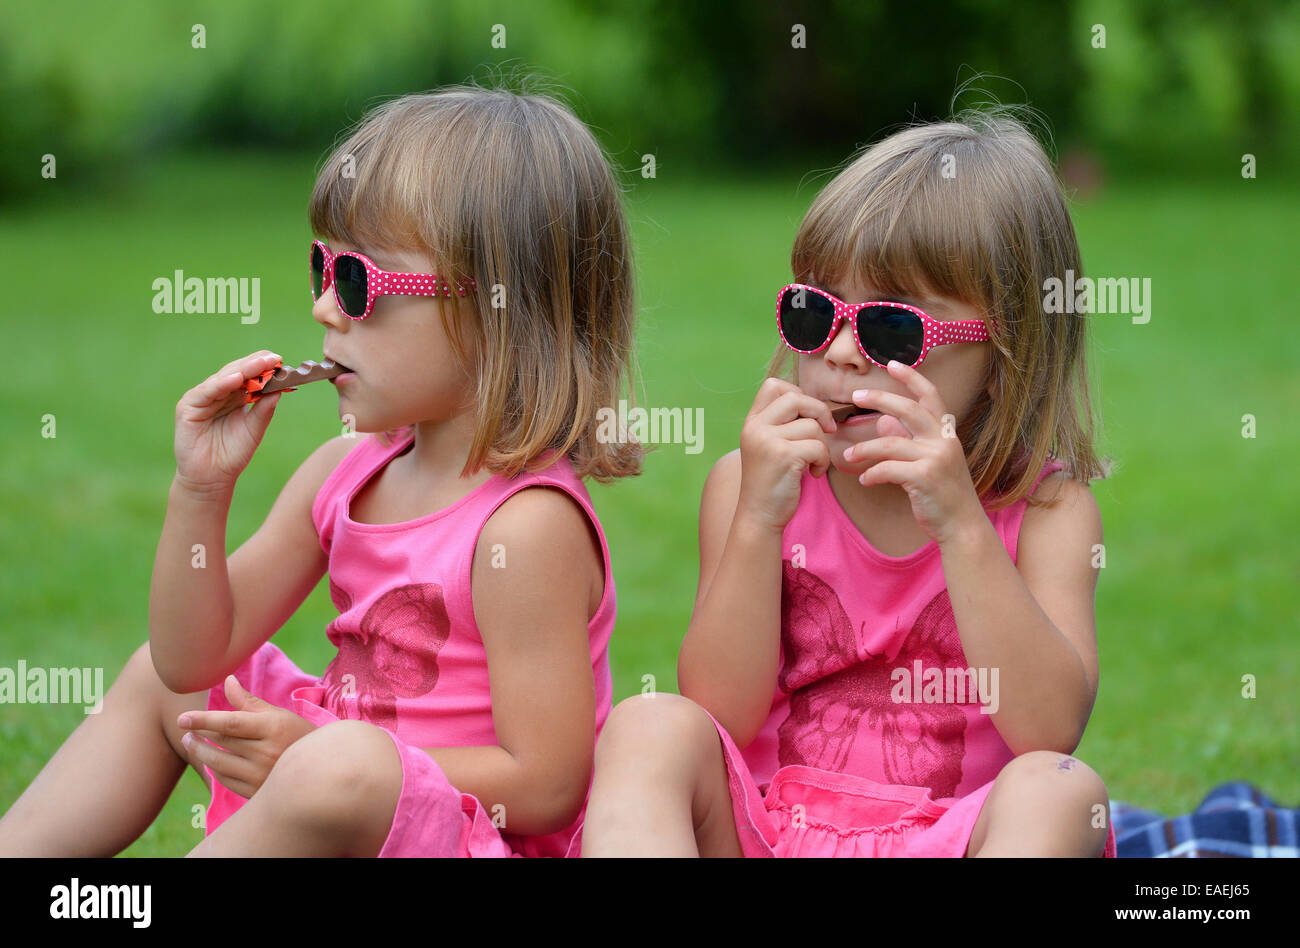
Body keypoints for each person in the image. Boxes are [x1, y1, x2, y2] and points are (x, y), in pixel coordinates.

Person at [0, 84, 642, 858]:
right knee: (164, 684)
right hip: (329, 785)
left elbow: (545, 784)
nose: (325, 310)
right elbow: (188, 655)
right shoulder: (347, 470)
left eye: (359, 283)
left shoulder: (526, 527)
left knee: (340, 767)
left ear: (499, 312)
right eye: (322, 268)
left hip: (459, 838)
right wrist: (200, 490)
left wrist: (317, 756)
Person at [578, 109, 1118, 857]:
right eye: (814, 311)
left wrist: (961, 525)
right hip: (771, 828)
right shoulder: (753, 486)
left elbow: (1049, 728)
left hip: (948, 837)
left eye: (890, 329)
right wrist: (757, 524)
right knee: (650, 724)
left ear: (1003, 356)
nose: (836, 350)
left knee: (1063, 791)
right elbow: (719, 714)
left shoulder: (1049, 513)